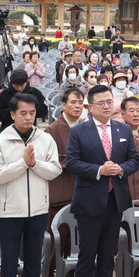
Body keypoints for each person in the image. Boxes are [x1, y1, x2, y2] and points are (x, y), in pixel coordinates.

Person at [65, 84, 139, 277]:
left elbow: (133, 160)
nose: (108, 106)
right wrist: (99, 170)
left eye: (110, 101)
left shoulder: (123, 129)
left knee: (108, 256)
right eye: (102, 103)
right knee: (87, 256)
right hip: (89, 202)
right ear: (90, 106)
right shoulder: (79, 131)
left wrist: (121, 169)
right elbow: (72, 164)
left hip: (115, 201)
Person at [0, 93, 61, 277]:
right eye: (23, 113)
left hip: (38, 210)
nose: (28, 117)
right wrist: (23, 163)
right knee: (8, 264)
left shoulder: (45, 139)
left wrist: (34, 164)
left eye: (32, 113)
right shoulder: (0, 141)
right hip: (10, 211)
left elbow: (54, 170)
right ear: (12, 115)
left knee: (32, 263)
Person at [45, 88, 84, 221]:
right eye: (73, 102)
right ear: (63, 105)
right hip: (61, 191)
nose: (77, 106)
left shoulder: (87, 127)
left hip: (83, 190)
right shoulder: (52, 129)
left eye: (80, 103)